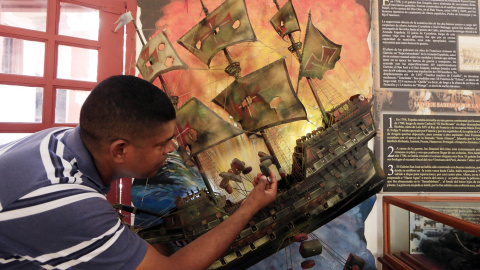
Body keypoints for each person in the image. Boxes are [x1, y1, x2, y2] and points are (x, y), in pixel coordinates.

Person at [0, 75, 277, 269]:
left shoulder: (55, 140)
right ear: (120, 150)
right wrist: (249, 205)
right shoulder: (69, 203)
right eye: (162, 144)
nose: (172, 149)